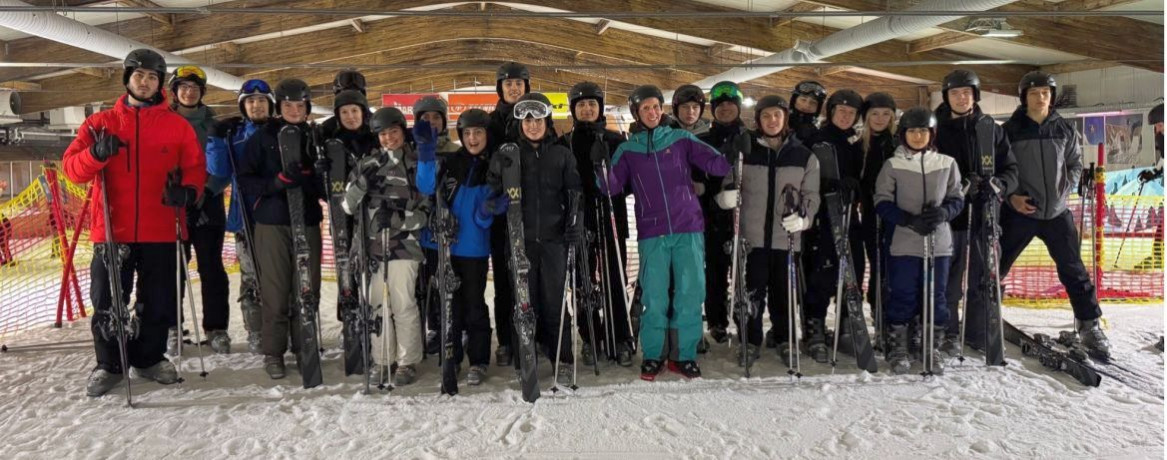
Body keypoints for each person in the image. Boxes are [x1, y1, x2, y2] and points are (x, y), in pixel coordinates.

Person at [63, 49, 206, 397]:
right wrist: (95, 155)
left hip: (161, 228)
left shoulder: (177, 125)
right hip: (114, 230)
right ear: (127, 78)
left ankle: (149, 358)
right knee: (109, 299)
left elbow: (195, 168)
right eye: (139, 75)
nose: (145, 82)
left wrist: (188, 193)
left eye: (153, 77)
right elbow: (71, 169)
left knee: (158, 300)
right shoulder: (100, 124)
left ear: (160, 84)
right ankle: (110, 363)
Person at [602, 85, 730, 381]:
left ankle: (684, 356)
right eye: (646, 108)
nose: (653, 112)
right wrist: (602, 167)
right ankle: (653, 355)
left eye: (657, 107)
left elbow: (716, 164)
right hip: (652, 231)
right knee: (656, 296)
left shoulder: (681, 139)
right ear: (636, 112)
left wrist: (732, 150)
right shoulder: (628, 149)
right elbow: (611, 187)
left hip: (688, 227)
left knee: (690, 292)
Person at [999, 71, 1108, 357]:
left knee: (1074, 270)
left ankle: (1089, 325)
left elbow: (1074, 163)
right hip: (1021, 210)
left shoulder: (1064, 129)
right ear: (1024, 97)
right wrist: (1012, 197)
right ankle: (984, 315)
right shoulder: (1010, 130)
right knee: (996, 264)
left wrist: (1066, 188)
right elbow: (1002, 170)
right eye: (1034, 93)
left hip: (1057, 212)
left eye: (1046, 92)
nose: (1041, 97)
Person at [715, 94, 819, 366]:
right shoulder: (746, 151)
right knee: (750, 295)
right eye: (765, 116)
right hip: (753, 239)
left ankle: (785, 338)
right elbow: (728, 183)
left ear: (785, 118)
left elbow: (811, 195)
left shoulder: (803, 155)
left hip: (786, 238)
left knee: (784, 295)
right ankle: (749, 340)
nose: (772, 120)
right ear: (758, 120)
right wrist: (725, 197)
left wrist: (804, 218)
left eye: (777, 115)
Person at [489, 92, 582, 386]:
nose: (533, 126)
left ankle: (562, 357)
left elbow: (575, 192)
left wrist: (576, 222)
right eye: (527, 120)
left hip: (554, 240)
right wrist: (494, 203)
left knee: (555, 302)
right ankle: (524, 357)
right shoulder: (507, 154)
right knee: (524, 303)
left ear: (547, 122)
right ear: (519, 123)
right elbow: (492, 188)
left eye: (538, 120)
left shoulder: (561, 154)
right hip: (520, 241)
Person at [236, 78, 327, 380]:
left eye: (299, 105)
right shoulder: (262, 138)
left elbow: (326, 188)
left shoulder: (314, 137)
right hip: (272, 222)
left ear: (307, 107)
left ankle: (304, 346)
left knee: (307, 288)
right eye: (287, 105)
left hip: (308, 221)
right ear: (279, 106)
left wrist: (316, 175)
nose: (293, 110)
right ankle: (273, 351)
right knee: (275, 290)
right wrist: (275, 183)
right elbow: (245, 181)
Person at [934, 69, 1018, 358]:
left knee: (983, 275)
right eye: (955, 93)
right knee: (950, 277)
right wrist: (958, 186)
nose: (961, 98)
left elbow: (1011, 169)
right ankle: (948, 331)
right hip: (952, 216)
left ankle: (978, 329)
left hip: (985, 212)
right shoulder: (937, 130)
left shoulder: (991, 129)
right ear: (946, 97)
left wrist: (996, 184)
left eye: (966, 93)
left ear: (975, 96)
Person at [874, 106, 963, 375]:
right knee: (903, 294)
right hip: (904, 242)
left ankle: (930, 347)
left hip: (939, 242)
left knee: (936, 296)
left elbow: (957, 197)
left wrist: (944, 212)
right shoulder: (893, 164)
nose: (917, 136)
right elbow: (881, 201)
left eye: (923, 131)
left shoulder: (947, 163)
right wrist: (907, 219)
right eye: (912, 131)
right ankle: (900, 347)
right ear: (903, 134)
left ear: (931, 134)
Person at [343, 107, 428, 386]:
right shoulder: (367, 164)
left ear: (403, 131)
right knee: (376, 304)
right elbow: (346, 205)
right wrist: (361, 184)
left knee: (403, 304)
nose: (389, 138)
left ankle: (407, 361)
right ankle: (382, 359)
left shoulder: (416, 164)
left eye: (393, 132)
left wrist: (399, 219)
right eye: (383, 134)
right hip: (371, 248)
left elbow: (426, 212)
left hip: (405, 246)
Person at [416, 109, 498, 386]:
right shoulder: (450, 162)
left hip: (473, 246)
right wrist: (426, 154)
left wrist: (487, 212)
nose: (472, 139)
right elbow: (426, 187)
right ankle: (451, 353)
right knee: (447, 306)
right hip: (441, 244)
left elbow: (483, 215)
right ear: (460, 136)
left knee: (474, 304)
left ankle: (478, 359)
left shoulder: (493, 166)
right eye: (467, 133)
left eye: (478, 132)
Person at [559, 81, 634, 367]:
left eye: (592, 104)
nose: (587, 109)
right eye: (581, 105)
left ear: (600, 107)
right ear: (573, 110)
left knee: (615, 279)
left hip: (610, 216)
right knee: (582, 284)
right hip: (579, 220)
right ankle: (592, 336)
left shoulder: (616, 141)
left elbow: (628, 185)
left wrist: (610, 174)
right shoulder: (565, 142)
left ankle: (620, 337)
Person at [205, 78, 274, 354]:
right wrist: (216, 139)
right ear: (243, 106)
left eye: (261, 101)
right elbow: (219, 171)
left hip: (279, 215)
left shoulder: (281, 130)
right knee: (251, 276)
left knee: (282, 276)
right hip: (246, 216)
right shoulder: (235, 134)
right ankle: (256, 330)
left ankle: (284, 328)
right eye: (250, 102)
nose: (256, 106)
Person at [166, 64, 232, 355]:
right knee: (171, 269)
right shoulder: (163, 120)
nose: (188, 92)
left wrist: (207, 192)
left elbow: (224, 165)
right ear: (175, 92)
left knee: (211, 268)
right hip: (172, 203)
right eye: (183, 88)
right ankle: (170, 326)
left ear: (202, 92)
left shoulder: (213, 124)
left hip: (207, 203)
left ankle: (216, 328)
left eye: (194, 88)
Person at [797, 89, 865, 363]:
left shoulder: (856, 144)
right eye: (841, 111)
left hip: (849, 218)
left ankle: (848, 326)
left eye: (851, 113)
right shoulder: (816, 140)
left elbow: (866, 180)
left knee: (853, 272)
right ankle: (814, 329)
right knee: (821, 277)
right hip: (822, 222)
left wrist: (855, 190)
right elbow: (804, 178)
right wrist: (827, 186)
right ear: (831, 112)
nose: (846, 116)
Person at [487, 62, 530, 367]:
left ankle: (533, 334)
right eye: (509, 84)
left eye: (519, 84)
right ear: (500, 88)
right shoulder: (491, 123)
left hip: (531, 209)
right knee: (504, 277)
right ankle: (505, 339)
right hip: (501, 210)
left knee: (531, 274)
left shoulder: (536, 116)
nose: (514, 89)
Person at [858, 93, 898, 337]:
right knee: (877, 264)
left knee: (894, 264)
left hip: (895, 212)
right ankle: (877, 310)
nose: (880, 119)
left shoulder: (899, 144)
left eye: (886, 114)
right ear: (867, 117)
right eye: (874, 114)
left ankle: (894, 315)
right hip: (871, 213)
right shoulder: (860, 145)